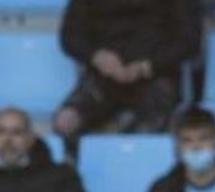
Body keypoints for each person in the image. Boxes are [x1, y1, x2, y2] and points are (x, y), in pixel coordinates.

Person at [53, 0, 202, 144]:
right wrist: (96, 56)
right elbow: (70, 35)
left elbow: (189, 41)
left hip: (157, 78)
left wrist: (147, 66)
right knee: (64, 122)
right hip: (102, 78)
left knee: (144, 135)